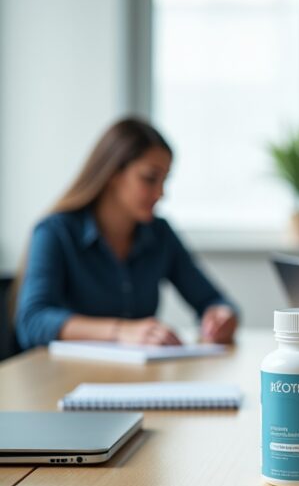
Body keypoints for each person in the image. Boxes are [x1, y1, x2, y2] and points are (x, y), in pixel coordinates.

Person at [15, 117, 238, 349]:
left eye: (164, 180)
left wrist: (221, 316)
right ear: (113, 173)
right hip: (65, 376)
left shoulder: (160, 234)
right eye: (150, 178)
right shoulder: (55, 232)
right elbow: (32, 322)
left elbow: (212, 299)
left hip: (138, 376)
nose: (161, 193)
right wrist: (120, 331)